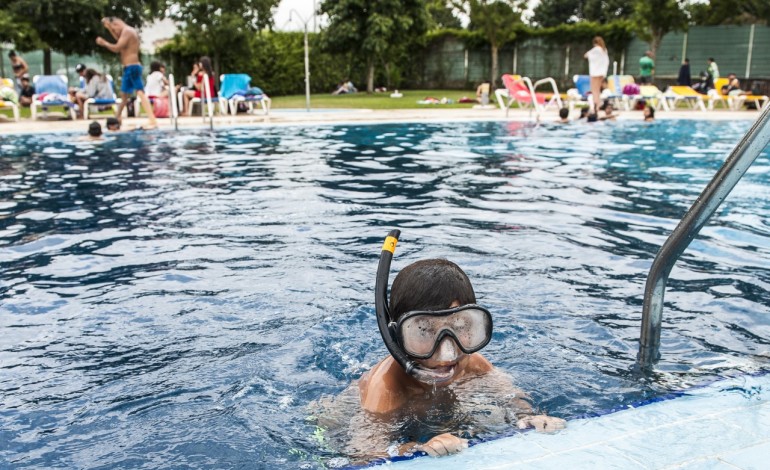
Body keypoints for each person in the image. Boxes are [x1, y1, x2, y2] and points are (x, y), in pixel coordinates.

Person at [317, 242, 566, 460]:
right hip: (344, 421)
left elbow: (513, 401)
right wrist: (419, 448)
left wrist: (530, 418)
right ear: (397, 336)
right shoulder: (386, 387)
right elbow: (364, 456)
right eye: (424, 331)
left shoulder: (473, 364)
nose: (448, 354)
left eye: (461, 327)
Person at [96, 17, 156, 129]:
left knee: (140, 92)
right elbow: (118, 38)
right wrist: (109, 27)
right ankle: (117, 119)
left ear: (117, 23)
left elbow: (117, 47)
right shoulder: (125, 32)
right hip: (128, 68)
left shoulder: (128, 31)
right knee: (124, 95)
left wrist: (104, 43)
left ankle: (152, 119)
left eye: (114, 28)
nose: (114, 31)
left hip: (133, 67)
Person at [584, 36, 609, 114]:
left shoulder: (596, 49)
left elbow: (586, 55)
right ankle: (597, 106)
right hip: (602, 72)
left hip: (595, 72)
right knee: (598, 90)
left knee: (594, 90)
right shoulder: (604, 50)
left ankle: (596, 105)